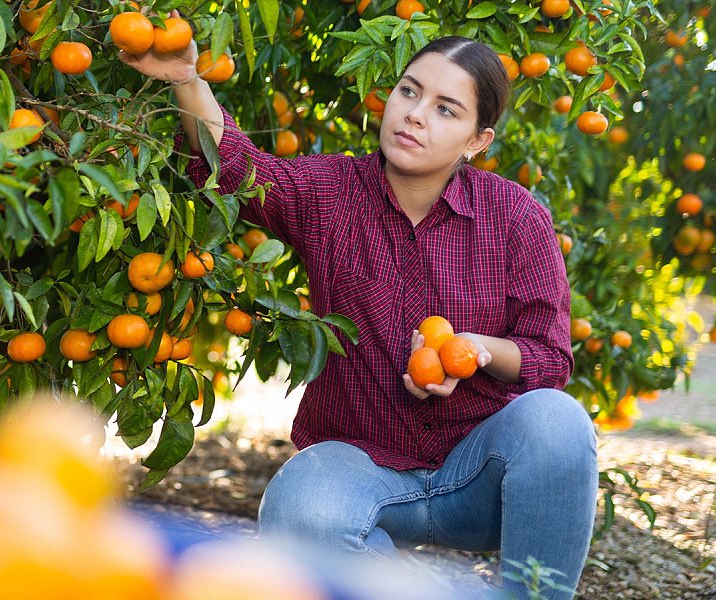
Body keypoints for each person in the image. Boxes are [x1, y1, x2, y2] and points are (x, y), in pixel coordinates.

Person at [121, 23, 598, 600]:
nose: (416, 115)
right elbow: (241, 171)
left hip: (479, 479)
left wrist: (477, 349)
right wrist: (189, 81)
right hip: (362, 468)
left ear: (478, 140)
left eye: (447, 109)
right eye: (409, 91)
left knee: (558, 422)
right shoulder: (333, 193)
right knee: (301, 509)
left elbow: (549, 359)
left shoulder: (515, 217)